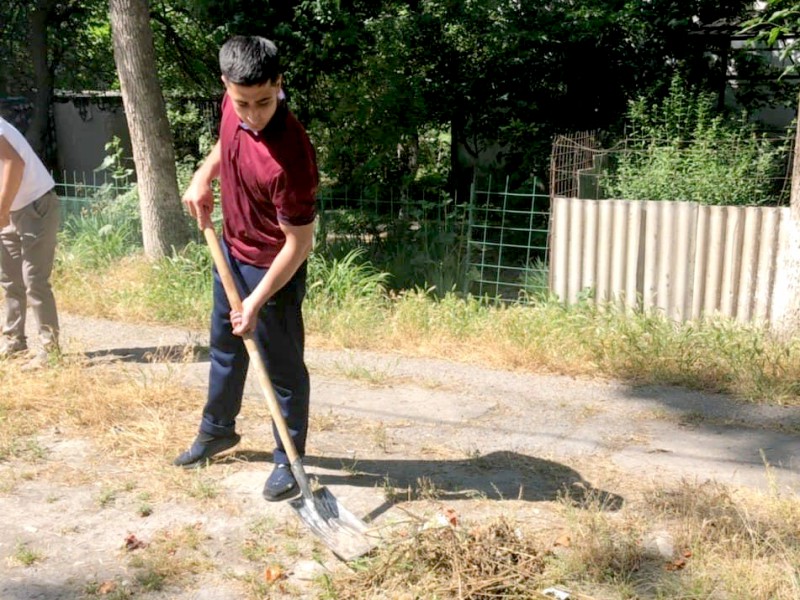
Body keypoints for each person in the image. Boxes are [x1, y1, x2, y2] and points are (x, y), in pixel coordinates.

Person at [174, 36, 318, 503]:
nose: (253, 114)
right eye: (242, 103)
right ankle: (217, 429)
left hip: (272, 270)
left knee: (281, 368)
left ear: (279, 83)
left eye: (263, 102)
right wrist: (203, 176)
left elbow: (299, 244)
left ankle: (288, 459)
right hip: (230, 253)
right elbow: (225, 143)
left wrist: (256, 300)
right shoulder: (232, 104)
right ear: (226, 85)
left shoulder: (292, 159)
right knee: (224, 349)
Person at [0, 116, 61, 370]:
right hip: (11, 208)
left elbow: (14, 163)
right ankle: (14, 342)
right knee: (10, 279)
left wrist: (2, 210)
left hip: (35, 205)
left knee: (34, 280)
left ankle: (50, 350)